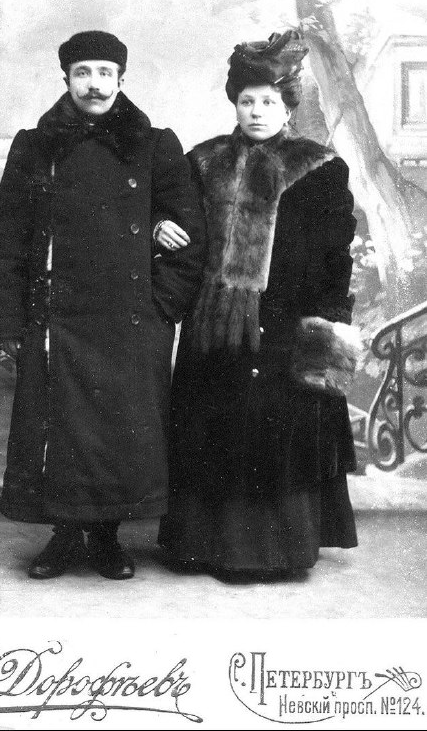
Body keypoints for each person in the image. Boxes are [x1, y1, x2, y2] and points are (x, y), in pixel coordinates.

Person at [0, 31, 205, 581]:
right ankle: (63, 537)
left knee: (118, 435)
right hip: (57, 320)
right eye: (83, 72)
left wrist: (160, 310)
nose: (95, 84)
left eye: (106, 73)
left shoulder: (156, 145)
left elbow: (191, 237)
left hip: (131, 321)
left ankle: (107, 538)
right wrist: (8, 322)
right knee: (58, 433)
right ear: (66, 79)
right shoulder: (35, 146)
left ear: (121, 79)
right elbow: (8, 239)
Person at [158, 29, 362, 582]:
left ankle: (272, 552)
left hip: (284, 323)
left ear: (288, 106)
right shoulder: (204, 162)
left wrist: (324, 326)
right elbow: (176, 222)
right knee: (213, 429)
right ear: (235, 104)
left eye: (269, 101)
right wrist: (160, 226)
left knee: (273, 431)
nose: (256, 111)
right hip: (213, 324)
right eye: (247, 101)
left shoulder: (320, 168)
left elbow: (335, 255)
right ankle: (204, 546)